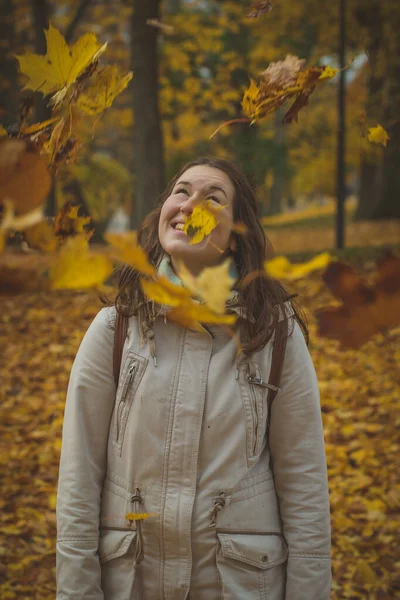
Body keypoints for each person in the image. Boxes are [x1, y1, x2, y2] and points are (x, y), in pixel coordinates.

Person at [56, 157, 331, 599]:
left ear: (237, 236)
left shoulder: (274, 335)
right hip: (132, 585)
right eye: (181, 191)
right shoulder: (114, 330)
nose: (189, 204)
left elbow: (305, 488)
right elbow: (78, 483)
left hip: (238, 586)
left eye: (213, 198)